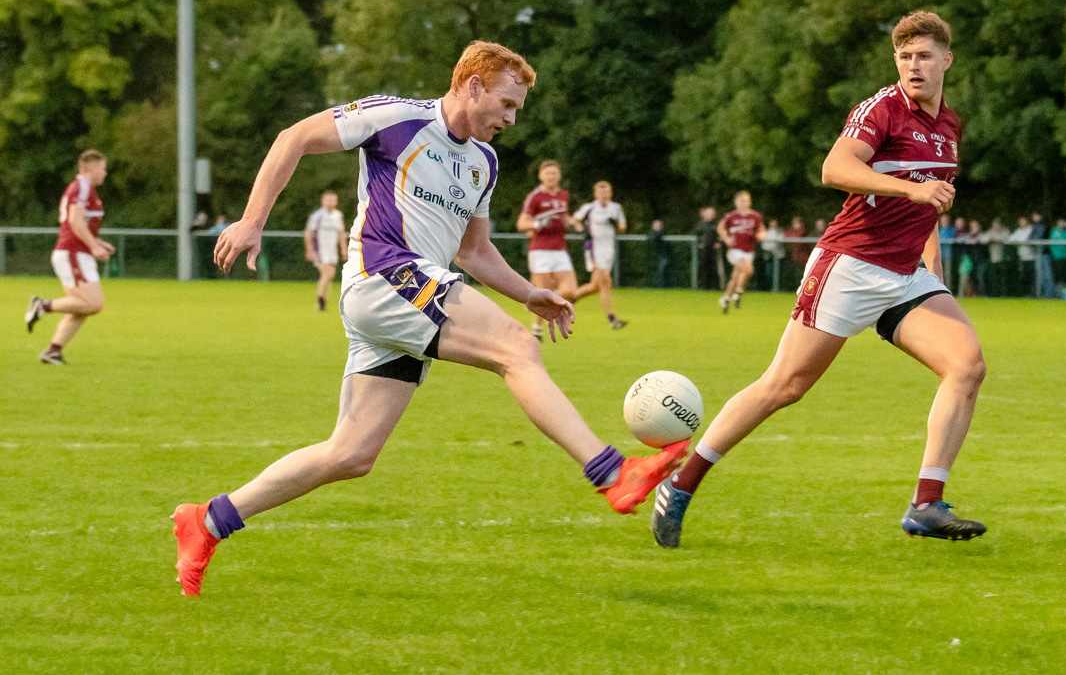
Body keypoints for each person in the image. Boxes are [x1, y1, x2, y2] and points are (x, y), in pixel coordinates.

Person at [172, 41, 687, 597]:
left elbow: (475, 251)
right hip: (383, 274)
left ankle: (208, 520)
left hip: (408, 293)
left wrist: (529, 293)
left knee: (351, 454)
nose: (512, 119)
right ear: (472, 86)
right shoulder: (397, 119)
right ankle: (610, 472)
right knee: (516, 348)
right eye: (508, 104)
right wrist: (252, 220)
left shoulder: (484, 163)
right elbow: (293, 137)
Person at [651, 11, 987, 548]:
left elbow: (933, 203)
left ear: (947, 59)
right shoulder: (881, 110)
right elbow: (836, 169)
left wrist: (935, 277)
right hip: (850, 265)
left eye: (924, 56)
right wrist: (912, 191)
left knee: (967, 366)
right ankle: (681, 484)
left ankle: (926, 502)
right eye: (904, 57)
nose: (913, 66)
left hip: (905, 276)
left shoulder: (950, 126)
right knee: (785, 386)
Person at [24, 150, 115, 365]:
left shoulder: (86, 189)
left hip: (75, 252)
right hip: (73, 253)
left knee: (82, 306)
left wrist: (98, 243)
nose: (105, 172)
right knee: (92, 303)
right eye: (102, 168)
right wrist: (93, 246)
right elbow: (74, 220)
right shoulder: (82, 186)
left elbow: (76, 223)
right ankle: (42, 306)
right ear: (91, 168)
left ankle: (53, 351)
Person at [518, 160, 577, 339]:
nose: (551, 176)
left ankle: (537, 301)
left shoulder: (563, 195)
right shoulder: (535, 196)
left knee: (570, 290)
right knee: (543, 292)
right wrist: (537, 223)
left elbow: (564, 218)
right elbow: (521, 223)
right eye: (548, 173)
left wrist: (573, 222)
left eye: (554, 173)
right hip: (540, 250)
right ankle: (536, 330)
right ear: (541, 176)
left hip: (559, 249)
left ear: (559, 175)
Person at [570, 181, 628, 329]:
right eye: (600, 192)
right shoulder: (589, 208)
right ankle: (612, 319)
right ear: (595, 194)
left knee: (595, 286)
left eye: (606, 192)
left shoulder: (616, 208)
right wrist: (581, 229)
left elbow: (622, 227)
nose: (603, 195)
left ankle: (567, 300)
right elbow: (575, 219)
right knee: (606, 283)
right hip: (594, 249)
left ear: (610, 193)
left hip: (609, 249)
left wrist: (616, 224)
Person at [716, 191, 766, 313]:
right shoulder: (731, 216)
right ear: (736, 202)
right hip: (734, 250)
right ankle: (738, 292)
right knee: (748, 269)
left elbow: (762, 230)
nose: (744, 203)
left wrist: (761, 235)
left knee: (736, 275)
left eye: (746, 200)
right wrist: (726, 238)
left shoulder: (755, 216)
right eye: (741, 201)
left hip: (748, 251)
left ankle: (726, 298)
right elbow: (720, 227)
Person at [304, 191, 348, 311]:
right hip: (320, 250)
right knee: (325, 274)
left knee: (331, 275)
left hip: (332, 251)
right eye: (329, 200)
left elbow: (341, 233)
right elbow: (308, 233)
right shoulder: (317, 215)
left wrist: (344, 249)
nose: (331, 202)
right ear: (323, 201)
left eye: (333, 200)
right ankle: (320, 300)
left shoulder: (337, 215)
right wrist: (309, 250)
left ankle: (324, 299)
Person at [694, 206, 722, 291]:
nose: (710, 215)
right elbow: (698, 235)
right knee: (705, 268)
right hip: (704, 250)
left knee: (715, 269)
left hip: (714, 250)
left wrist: (718, 243)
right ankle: (706, 287)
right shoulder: (701, 224)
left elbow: (720, 235)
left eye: (711, 213)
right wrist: (700, 244)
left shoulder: (716, 224)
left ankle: (717, 287)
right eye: (708, 213)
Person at [982, 217, 1011, 297]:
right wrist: (991, 239)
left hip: (1003, 260)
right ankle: (994, 294)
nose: (996, 226)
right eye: (994, 224)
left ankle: (1003, 295)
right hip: (993, 259)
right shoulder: (990, 232)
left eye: (998, 224)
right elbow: (983, 239)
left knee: (1003, 279)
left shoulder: (1005, 231)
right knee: (993, 278)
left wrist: (995, 240)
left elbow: (1007, 239)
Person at [1029, 212, 1054, 298]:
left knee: (1047, 274)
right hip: (1037, 253)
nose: (1034, 218)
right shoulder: (1032, 226)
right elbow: (1029, 238)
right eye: (1033, 216)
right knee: (1039, 275)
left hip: (1044, 253)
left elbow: (1037, 237)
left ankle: (1050, 294)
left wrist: (1032, 238)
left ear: (1040, 217)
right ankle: (1041, 294)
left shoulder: (1044, 226)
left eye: (1036, 216)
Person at [1009, 216, 1035, 296]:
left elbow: (1024, 239)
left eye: (1023, 222)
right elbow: (1010, 239)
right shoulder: (1019, 230)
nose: (1021, 223)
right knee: (1023, 277)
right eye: (1020, 222)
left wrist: (1018, 240)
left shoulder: (1030, 229)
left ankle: (1032, 294)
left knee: (1031, 278)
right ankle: (1025, 294)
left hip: (1030, 258)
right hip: (1022, 258)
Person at [759, 218, 785, 290]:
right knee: (768, 273)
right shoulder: (766, 232)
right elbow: (764, 245)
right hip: (768, 256)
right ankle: (768, 288)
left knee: (777, 274)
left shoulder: (779, 232)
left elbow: (779, 242)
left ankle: (778, 288)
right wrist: (770, 247)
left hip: (777, 256)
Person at [783, 216, 810, 281]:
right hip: (794, 257)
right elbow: (786, 235)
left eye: (796, 223)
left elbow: (798, 237)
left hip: (802, 258)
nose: (795, 225)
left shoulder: (803, 231)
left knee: (802, 274)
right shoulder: (792, 230)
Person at [646, 219, 671, 289]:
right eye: (655, 225)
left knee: (662, 271)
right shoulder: (651, 233)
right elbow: (648, 237)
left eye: (658, 225)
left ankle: (662, 287)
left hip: (664, 255)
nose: (656, 227)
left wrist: (654, 235)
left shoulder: (662, 233)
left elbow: (657, 236)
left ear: (661, 226)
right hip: (656, 256)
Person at [937, 213, 955, 285]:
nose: (945, 221)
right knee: (938, 274)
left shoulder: (952, 230)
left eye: (946, 220)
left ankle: (948, 290)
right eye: (943, 220)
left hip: (948, 256)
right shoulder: (938, 231)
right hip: (939, 256)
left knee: (948, 274)